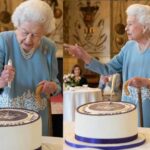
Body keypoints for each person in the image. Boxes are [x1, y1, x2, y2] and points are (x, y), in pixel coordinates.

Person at [64, 4, 150, 127]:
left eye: (130, 24)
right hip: (129, 109)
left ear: (145, 26)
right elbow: (107, 69)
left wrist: (147, 82)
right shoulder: (128, 48)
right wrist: (84, 56)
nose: (126, 28)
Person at [0, 0, 61, 136]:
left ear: (44, 32)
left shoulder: (49, 47)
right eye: (25, 32)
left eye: (35, 35)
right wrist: (2, 80)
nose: (28, 39)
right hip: (8, 119)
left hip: (38, 120)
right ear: (17, 25)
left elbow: (56, 85)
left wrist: (53, 87)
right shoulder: (3, 41)